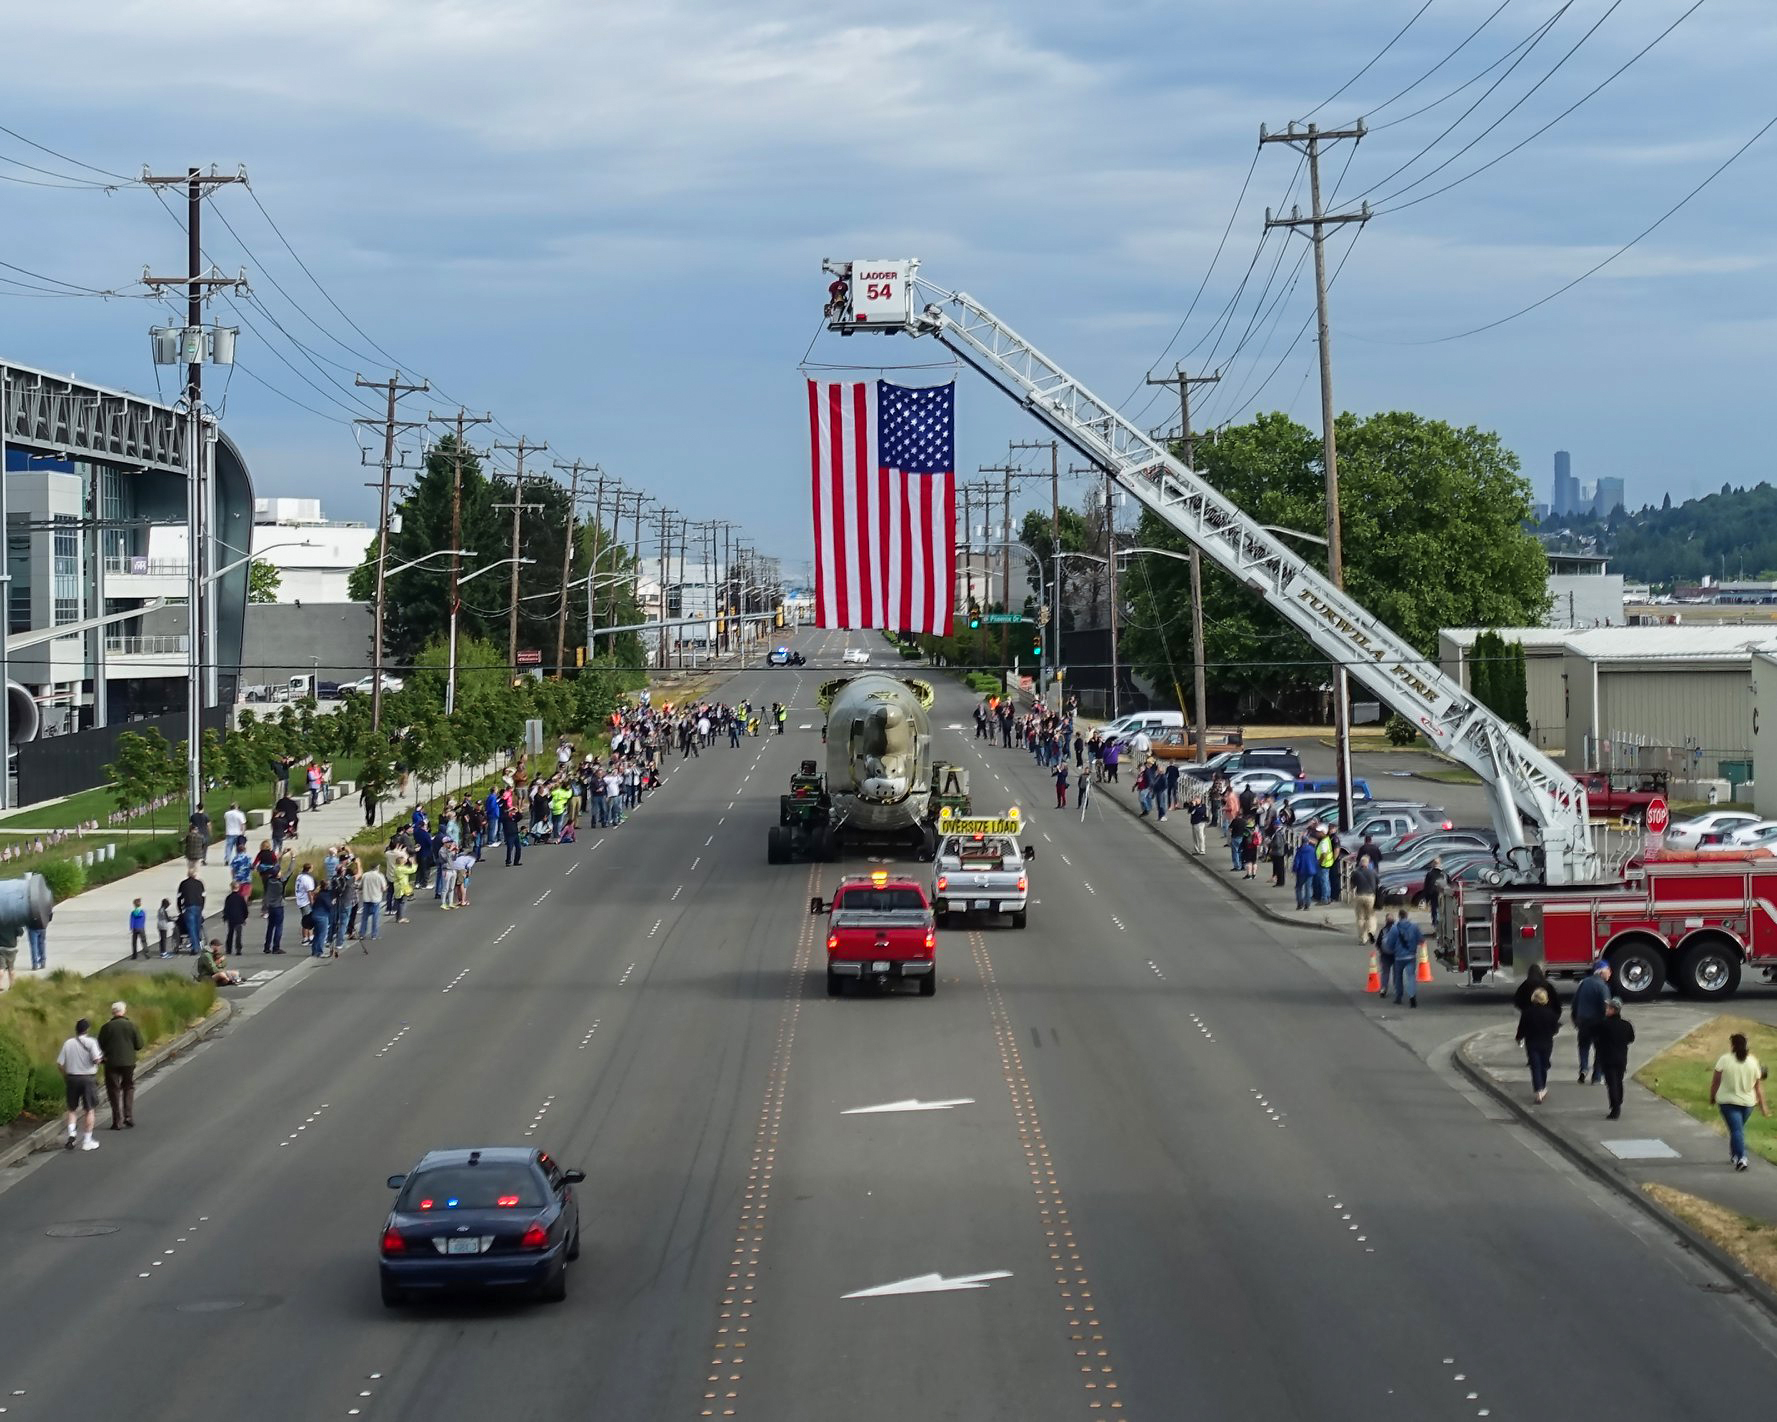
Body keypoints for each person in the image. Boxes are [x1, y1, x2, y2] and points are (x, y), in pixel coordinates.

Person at [1710, 1032, 1771, 1171]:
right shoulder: (1753, 1061)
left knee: (1736, 1130)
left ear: (1732, 1045)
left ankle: (1741, 1157)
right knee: (1737, 1130)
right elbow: (1758, 1087)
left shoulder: (1724, 1060)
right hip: (1748, 1104)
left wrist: (1712, 1097)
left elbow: (1716, 1081)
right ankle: (1736, 1154)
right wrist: (1763, 1107)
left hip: (1727, 1102)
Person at [56, 1018, 103, 1152]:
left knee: (72, 1109)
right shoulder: (91, 1042)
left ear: (76, 1029)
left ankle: (72, 1134)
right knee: (89, 1109)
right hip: (88, 1078)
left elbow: (59, 1063)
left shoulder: (68, 1043)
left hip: (72, 1078)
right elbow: (96, 1060)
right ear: (87, 1029)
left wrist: (65, 1075)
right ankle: (87, 1140)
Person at [97, 1002, 144, 1130]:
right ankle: (128, 1116)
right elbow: (139, 1045)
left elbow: (99, 1044)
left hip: (111, 1062)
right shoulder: (131, 1025)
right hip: (128, 1062)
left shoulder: (106, 1027)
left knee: (113, 1090)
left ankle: (117, 1120)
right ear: (124, 1011)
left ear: (113, 1012)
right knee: (128, 1087)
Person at [1515, 985, 1561, 1103]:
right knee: (1543, 1066)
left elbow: (1522, 1028)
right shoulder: (1550, 1013)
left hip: (1532, 1043)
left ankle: (1539, 1090)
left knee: (1535, 1067)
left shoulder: (1527, 1012)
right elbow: (1555, 1029)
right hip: (1546, 1043)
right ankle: (1542, 1087)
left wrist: (1519, 1038)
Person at [1594, 998, 1636, 1120]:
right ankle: (1619, 1100)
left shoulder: (1604, 1024)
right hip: (1622, 1057)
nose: (1606, 1010)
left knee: (1611, 1083)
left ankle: (1615, 1106)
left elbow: (1597, 1038)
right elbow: (1631, 1039)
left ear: (1613, 1010)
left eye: (1608, 1008)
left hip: (1608, 1058)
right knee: (1618, 1080)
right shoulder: (1626, 1025)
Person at [1571, 962, 1612, 1085]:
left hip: (1583, 1021)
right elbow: (1607, 1007)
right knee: (1600, 1049)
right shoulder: (1603, 987)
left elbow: (1575, 1001)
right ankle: (1597, 1076)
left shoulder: (1584, 983)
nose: (1610, 972)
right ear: (1601, 972)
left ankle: (1583, 1068)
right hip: (1597, 1022)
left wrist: (1575, 1017)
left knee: (1583, 1046)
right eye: (1608, 970)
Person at [1385, 908, 1422, 1007]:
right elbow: (1420, 940)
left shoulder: (1394, 928)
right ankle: (1412, 996)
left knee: (1398, 977)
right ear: (1407, 916)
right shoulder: (1414, 927)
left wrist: (1393, 950)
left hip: (1398, 957)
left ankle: (1398, 997)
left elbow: (1389, 944)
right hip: (1411, 956)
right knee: (1411, 976)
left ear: (1399, 916)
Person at [1349, 859, 1379, 944]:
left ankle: (1363, 938)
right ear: (1368, 863)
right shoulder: (1373, 872)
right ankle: (1371, 931)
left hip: (1360, 896)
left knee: (1360, 918)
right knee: (1371, 916)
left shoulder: (1355, 873)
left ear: (1360, 863)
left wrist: (1352, 896)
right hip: (1370, 897)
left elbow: (1352, 886)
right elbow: (1378, 883)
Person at [176, 870, 205, 955]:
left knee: (191, 927)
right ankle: (199, 944)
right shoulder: (200, 883)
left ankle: (195, 948)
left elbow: (179, 898)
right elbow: (203, 896)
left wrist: (180, 910)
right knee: (197, 926)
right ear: (195, 875)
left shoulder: (183, 884)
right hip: (198, 906)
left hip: (189, 907)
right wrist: (202, 907)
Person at [359, 862, 387, 944]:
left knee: (364, 918)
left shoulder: (365, 875)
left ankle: (362, 933)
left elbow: (360, 886)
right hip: (376, 898)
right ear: (377, 867)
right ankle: (374, 934)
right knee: (375, 918)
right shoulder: (380, 876)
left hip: (366, 898)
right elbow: (384, 888)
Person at [261, 870, 287, 954]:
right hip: (278, 906)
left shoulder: (268, 882)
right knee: (279, 927)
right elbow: (289, 871)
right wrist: (293, 859)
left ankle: (267, 946)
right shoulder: (281, 883)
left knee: (270, 927)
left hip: (270, 907)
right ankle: (276, 947)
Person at [221, 882, 249, 956]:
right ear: (238, 888)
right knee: (238, 934)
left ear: (231, 887)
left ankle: (229, 949)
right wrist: (245, 917)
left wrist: (225, 917)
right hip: (239, 918)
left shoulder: (229, 898)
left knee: (230, 933)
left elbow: (226, 909)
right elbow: (244, 908)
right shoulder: (241, 897)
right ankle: (238, 949)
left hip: (231, 918)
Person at [1291, 835, 1317, 912]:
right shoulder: (1313, 850)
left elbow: (1297, 862)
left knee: (1298, 887)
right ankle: (1307, 905)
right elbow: (1315, 860)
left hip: (1301, 871)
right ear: (1308, 841)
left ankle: (1300, 904)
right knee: (1308, 888)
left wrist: (1294, 870)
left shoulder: (1300, 850)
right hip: (1310, 871)